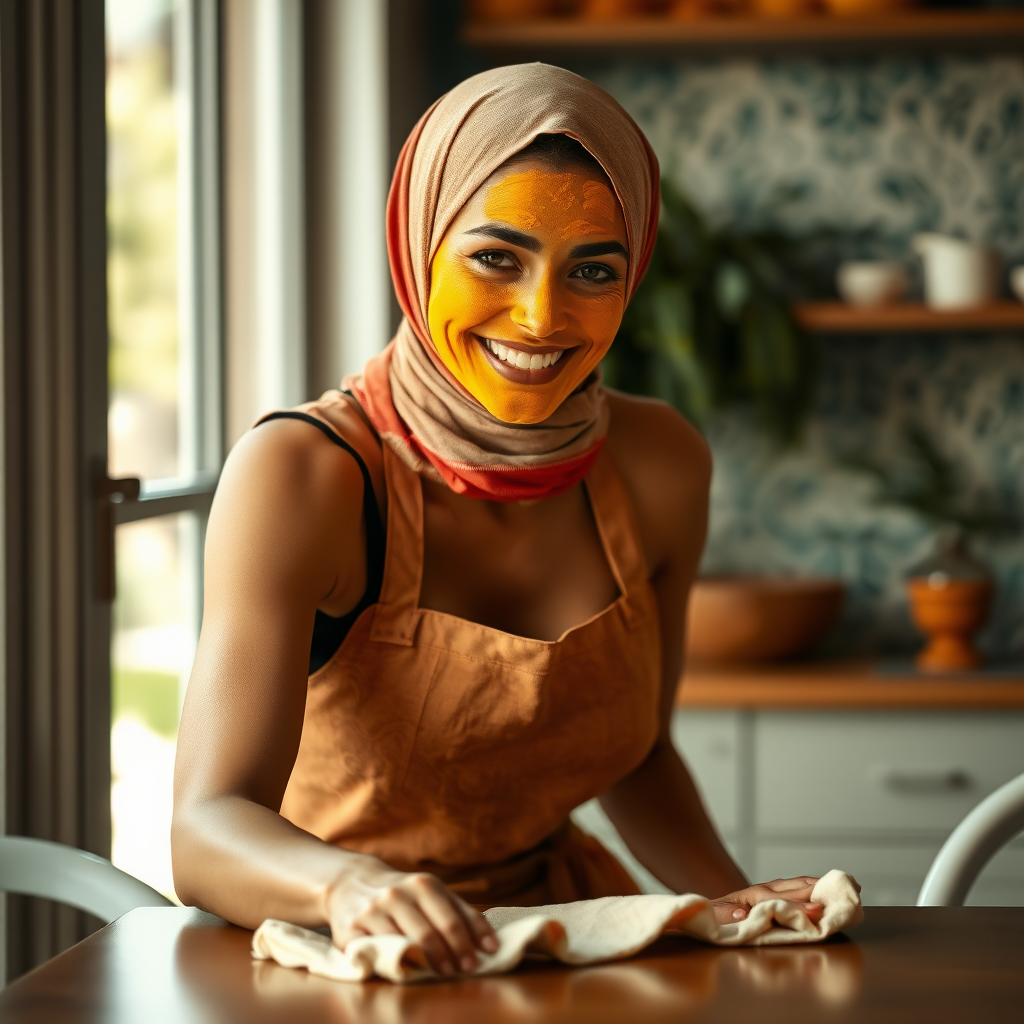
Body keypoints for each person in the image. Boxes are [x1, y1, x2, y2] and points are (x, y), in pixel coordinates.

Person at [172, 63, 822, 978]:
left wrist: (730, 903)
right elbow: (204, 832)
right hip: (327, 955)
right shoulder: (304, 478)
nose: (541, 315)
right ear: (418, 241)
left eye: (593, 269)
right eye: (495, 257)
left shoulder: (663, 462)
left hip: (553, 946)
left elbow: (639, 754)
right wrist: (348, 887)